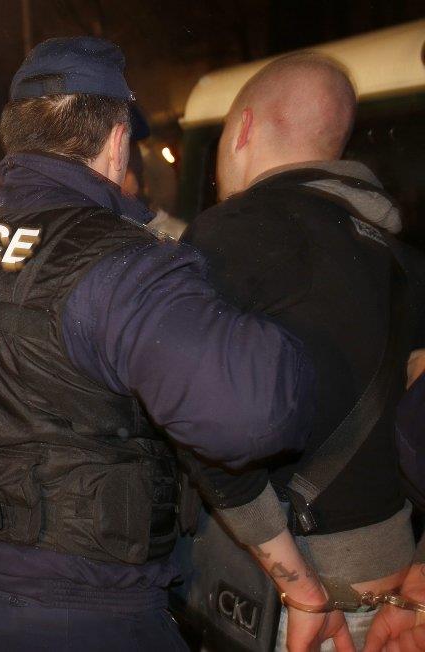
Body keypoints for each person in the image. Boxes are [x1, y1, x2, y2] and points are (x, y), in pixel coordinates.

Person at [0, 36, 315, 651]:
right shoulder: (121, 263)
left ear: (14, 134)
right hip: (78, 610)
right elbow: (254, 414)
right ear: (117, 137)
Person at [179, 54, 425, 651]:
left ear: (242, 130)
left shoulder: (226, 237)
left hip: (293, 609)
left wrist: (297, 581)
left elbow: (199, 419)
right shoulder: (404, 261)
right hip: (399, 599)